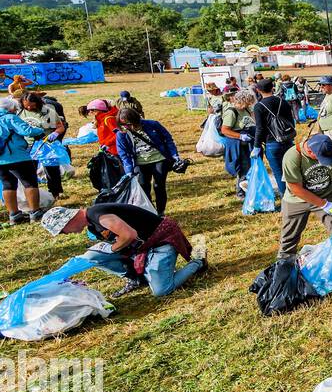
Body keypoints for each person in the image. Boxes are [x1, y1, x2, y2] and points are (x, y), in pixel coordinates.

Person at [40, 202, 207, 299]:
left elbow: (128, 235)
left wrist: (112, 249)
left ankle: (198, 261)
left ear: (67, 222)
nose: (65, 234)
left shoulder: (98, 215)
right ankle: (135, 279)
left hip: (160, 241)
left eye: (62, 231)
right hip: (143, 245)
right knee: (91, 256)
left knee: (161, 290)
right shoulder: (91, 223)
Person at [278, 133, 332, 282]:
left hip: (326, 193)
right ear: (310, 152)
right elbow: (296, 189)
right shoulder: (292, 157)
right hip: (297, 199)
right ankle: (283, 268)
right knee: (289, 235)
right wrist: (323, 204)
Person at [114, 106, 180, 216]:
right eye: (123, 125)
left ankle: (161, 212)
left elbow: (168, 139)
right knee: (143, 187)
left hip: (159, 159)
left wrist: (175, 155)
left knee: (159, 186)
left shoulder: (152, 124)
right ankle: (150, 212)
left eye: (129, 124)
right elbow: (124, 154)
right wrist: (129, 171)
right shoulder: (121, 133)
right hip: (139, 163)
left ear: (135, 119)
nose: (126, 127)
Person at [0, 96, 49, 225]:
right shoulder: (10, 117)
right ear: (10, 108)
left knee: (8, 185)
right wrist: (41, 130)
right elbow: (26, 131)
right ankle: (35, 212)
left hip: (1, 159)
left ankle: (14, 215)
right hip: (17, 156)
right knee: (30, 183)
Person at [252, 78, 297, 197]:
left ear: (258, 90)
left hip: (272, 143)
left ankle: (286, 198)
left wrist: (256, 146)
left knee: (278, 173)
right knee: (291, 170)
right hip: (288, 140)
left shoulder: (259, 106)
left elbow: (260, 128)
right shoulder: (283, 101)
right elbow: (291, 121)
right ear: (272, 88)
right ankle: (297, 193)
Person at [19, 91, 66, 199]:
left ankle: (55, 192)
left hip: (46, 144)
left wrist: (55, 133)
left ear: (37, 103)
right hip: (28, 145)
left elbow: (60, 127)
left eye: (32, 105)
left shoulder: (47, 111)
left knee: (51, 169)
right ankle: (32, 194)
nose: (29, 108)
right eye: (26, 106)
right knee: (29, 171)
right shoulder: (20, 112)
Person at [219, 88, 256, 199]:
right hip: (238, 145)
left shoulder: (247, 109)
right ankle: (241, 192)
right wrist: (240, 136)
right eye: (248, 102)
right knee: (244, 168)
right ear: (242, 101)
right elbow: (225, 130)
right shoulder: (231, 112)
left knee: (251, 167)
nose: (250, 104)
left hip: (249, 143)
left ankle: (250, 188)